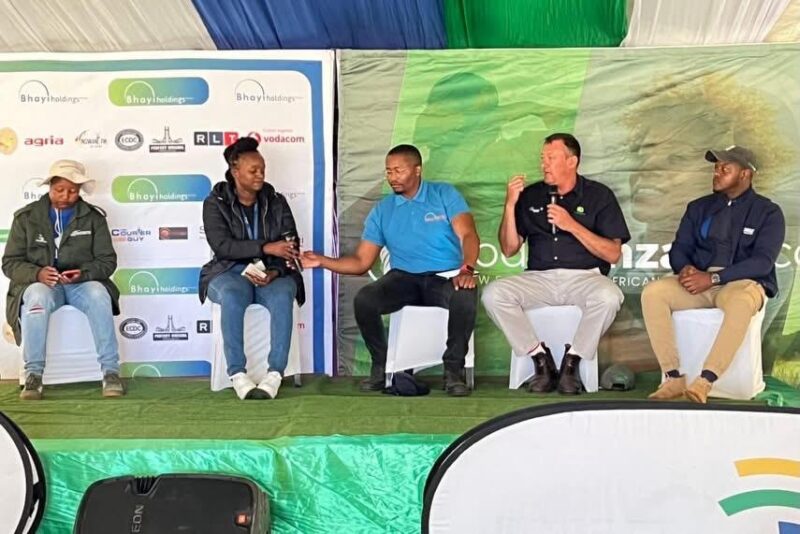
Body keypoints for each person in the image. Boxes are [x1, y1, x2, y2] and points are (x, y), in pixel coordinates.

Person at [302, 144, 480, 396]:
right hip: (404, 279)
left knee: (465, 296)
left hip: (445, 276)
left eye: (399, 170)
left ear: (417, 170)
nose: (392, 177)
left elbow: (468, 234)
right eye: (388, 171)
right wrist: (322, 261)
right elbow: (361, 262)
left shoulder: (444, 194)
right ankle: (381, 365)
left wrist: (467, 269)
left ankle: (453, 370)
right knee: (365, 299)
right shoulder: (383, 210)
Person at [482, 133, 630, 394]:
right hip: (538, 278)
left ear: (572, 161)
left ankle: (572, 362)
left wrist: (571, 224)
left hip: (585, 277)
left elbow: (613, 254)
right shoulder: (531, 195)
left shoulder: (599, 195)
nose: (544, 164)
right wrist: (510, 204)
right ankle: (540, 359)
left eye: (551, 158)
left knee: (609, 297)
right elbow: (509, 248)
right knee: (493, 294)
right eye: (542, 158)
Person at [642, 146, 785, 403]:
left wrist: (714, 278)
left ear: (745, 174)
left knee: (742, 302)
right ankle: (673, 378)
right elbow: (680, 248)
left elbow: (762, 262)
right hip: (700, 280)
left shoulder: (767, 212)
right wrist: (685, 268)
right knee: (654, 293)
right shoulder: (698, 208)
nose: (716, 173)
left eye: (725, 168)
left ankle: (705, 381)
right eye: (716, 168)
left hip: (741, 282)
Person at [2, 159, 124, 400]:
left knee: (99, 294)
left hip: (80, 284)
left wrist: (83, 273)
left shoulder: (93, 218)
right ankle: (33, 375)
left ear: (80, 190)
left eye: (73, 191)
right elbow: (10, 263)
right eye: (60, 189)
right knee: (36, 296)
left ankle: (111, 372)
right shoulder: (26, 217)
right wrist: (37, 274)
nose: (66, 196)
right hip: (43, 285)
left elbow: (107, 261)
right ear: (50, 186)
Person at [199, 137, 304, 400]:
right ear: (235, 171)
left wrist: (275, 271)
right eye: (253, 170)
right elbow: (223, 246)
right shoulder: (215, 202)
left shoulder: (276, 201)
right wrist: (267, 247)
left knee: (283, 294)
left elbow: (290, 243)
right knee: (232, 295)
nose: (260, 175)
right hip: (228, 270)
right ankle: (237, 374)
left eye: (262, 169)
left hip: (271, 271)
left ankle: (275, 374)